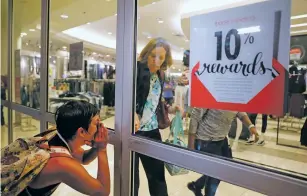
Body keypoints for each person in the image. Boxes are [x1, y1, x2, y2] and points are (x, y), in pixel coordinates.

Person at [18, 101, 110, 196]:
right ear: (81, 132)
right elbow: (102, 192)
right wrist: (102, 149)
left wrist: (96, 147)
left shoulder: (58, 134)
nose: (101, 127)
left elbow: (84, 158)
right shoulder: (61, 163)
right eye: (97, 123)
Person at [134, 37, 180, 196]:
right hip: (131, 131)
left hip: (152, 131)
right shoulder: (136, 70)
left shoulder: (162, 76)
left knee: (158, 178)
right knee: (131, 180)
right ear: (147, 54)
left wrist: (173, 108)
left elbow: (164, 100)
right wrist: (132, 112)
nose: (156, 60)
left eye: (161, 57)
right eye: (153, 55)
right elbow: (121, 96)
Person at [187, 108, 259, 196]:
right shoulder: (213, 95)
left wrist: (251, 126)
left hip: (222, 138)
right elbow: (195, 116)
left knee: (224, 169)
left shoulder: (236, 95)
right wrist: (191, 145)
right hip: (206, 139)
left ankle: (197, 185)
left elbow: (239, 110)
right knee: (216, 174)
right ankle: (201, 188)